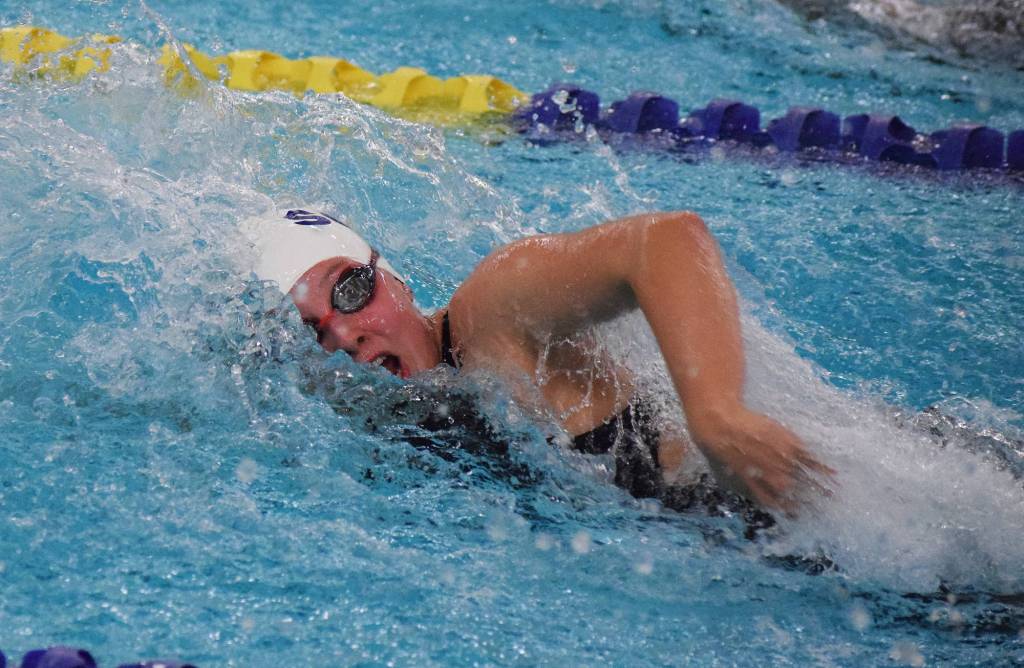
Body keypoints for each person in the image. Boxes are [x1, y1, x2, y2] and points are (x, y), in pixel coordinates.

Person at [244, 207, 834, 514]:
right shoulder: (373, 416)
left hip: (802, 501)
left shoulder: (491, 314)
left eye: (350, 291)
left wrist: (718, 412)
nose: (346, 334)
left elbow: (665, 242)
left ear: (391, 276)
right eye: (312, 330)